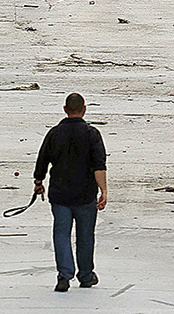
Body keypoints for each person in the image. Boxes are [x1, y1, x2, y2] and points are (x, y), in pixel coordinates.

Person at [33, 92, 107, 292]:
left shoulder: (54, 133)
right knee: (85, 236)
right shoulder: (92, 134)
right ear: (84, 109)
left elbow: (42, 160)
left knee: (61, 234)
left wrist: (39, 181)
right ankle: (85, 275)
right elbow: (99, 166)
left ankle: (64, 276)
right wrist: (103, 191)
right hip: (85, 195)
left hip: (60, 195)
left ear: (65, 109)